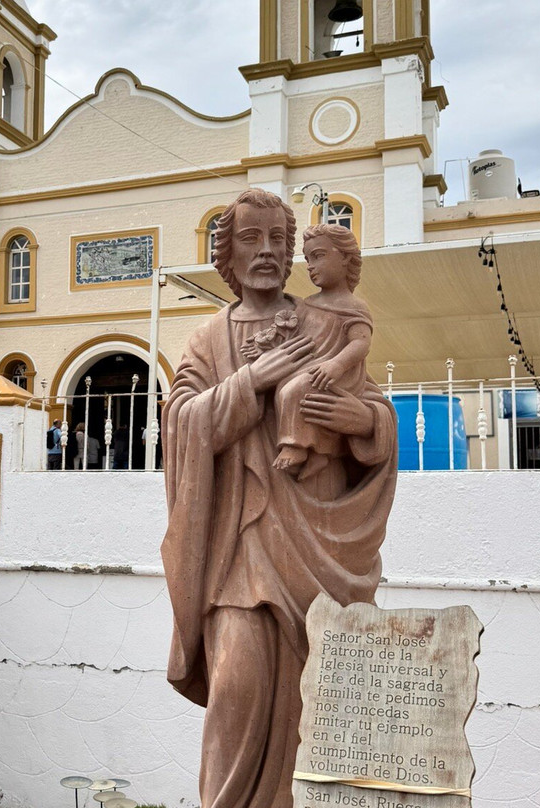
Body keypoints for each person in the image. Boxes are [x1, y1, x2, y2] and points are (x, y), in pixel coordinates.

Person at [161, 189, 397, 808]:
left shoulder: (322, 322)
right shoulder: (208, 340)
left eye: (276, 239)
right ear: (227, 254)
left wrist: (361, 421)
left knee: (316, 705)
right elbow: (180, 423)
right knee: (236, 690)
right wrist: (250, 382)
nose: (265, 251)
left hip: (319, 544)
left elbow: (374, 408)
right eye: (250, 238)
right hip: (239, 547)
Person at [266, 223, 372, 481]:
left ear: (345, 257)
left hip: (336, 374)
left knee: (294, 390)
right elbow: (294, 334)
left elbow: (360, 343)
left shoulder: (354, 306)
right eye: (308, 259)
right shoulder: (308, 304)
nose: (310, 266)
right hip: (310, 368)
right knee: (283, 387)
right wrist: (268, 342)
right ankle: (319, 453)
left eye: (318, 256)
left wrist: (336, 365)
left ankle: (294, 446)